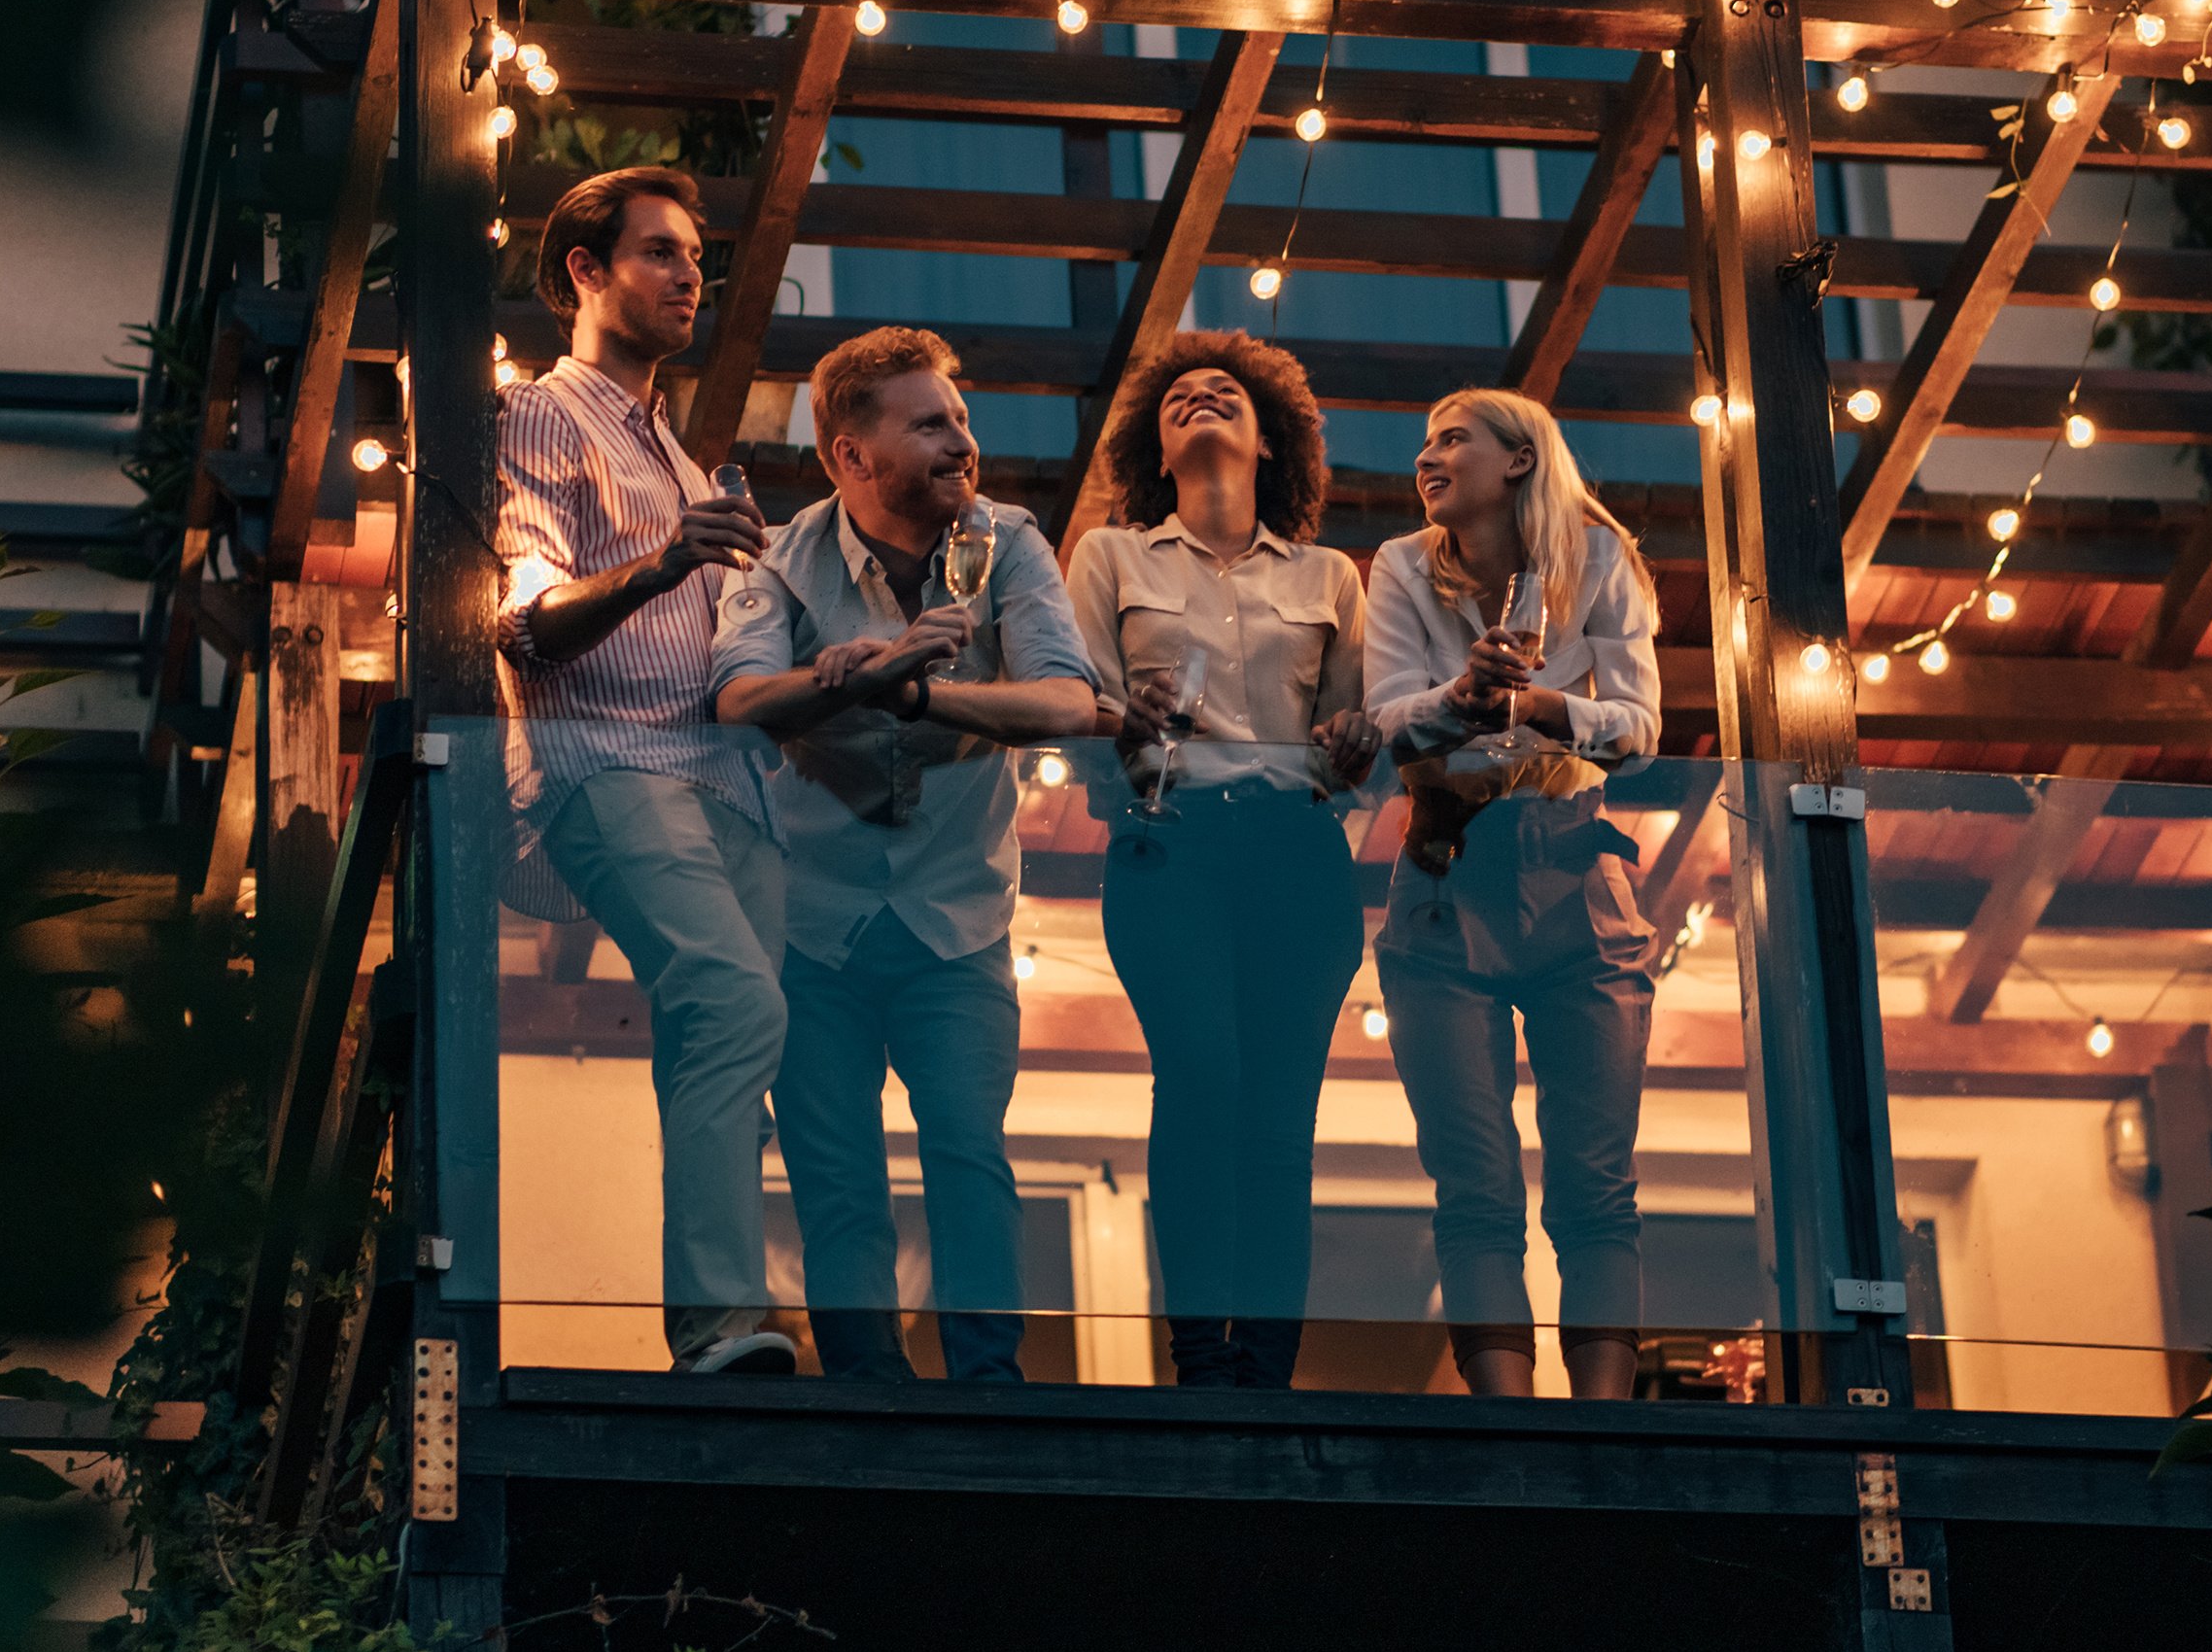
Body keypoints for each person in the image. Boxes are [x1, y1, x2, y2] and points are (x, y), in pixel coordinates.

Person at [710, 328, 1102, 1383]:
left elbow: (1069, 700)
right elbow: (739, 698)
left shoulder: (1008, 541)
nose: (961, 442)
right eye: (930, 424)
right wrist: (846, 680)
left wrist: (919, 690)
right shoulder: (777, 560)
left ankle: (990, 1389)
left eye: (961, 420)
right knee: (835, 1182)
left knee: (970, 1157)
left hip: (959, 924)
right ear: (850, 456)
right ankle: (864, 1393)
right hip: (808, 931)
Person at [492, 165, 802, 1378]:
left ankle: (719, 1332)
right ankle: (724, 1320)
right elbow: (523, 623)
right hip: (605, 761)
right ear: (586, 269)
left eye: (694, 258)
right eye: (663, 253)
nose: (691, 278)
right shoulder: (541, 416)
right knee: (733, 1003)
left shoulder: (678, 449)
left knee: (724, 1040)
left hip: (728, 786)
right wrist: (668, 562)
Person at [1064, 332, 1373, 1390]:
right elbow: (1077, 716)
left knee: (1282, 1120)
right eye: (1179, 396)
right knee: (1198, 1078)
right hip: (1169, 847)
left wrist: (1353, 747)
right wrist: (1119, 721)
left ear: (1269, 440)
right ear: (1156, 446)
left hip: (1296, 855)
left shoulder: (1332, 577)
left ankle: (1267, 1370)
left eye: (1227, 392)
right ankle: (1199, 1359)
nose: (1201, 397)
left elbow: (1349, 749)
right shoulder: (1109, 558)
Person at [1363, 387, 1664, 1401]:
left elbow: (1640, 730)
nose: (1428, 456)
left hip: (1581, 869)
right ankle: (1508, 1419)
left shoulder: (1601, 559)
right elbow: (1387, 720)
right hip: (1448, 865)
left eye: (1452, 438)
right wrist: (1460, 699)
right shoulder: (1401, 566)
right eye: (1423, 440)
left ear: (1520, 460)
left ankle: (1605, 1424)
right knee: (1474, 1181)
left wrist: (1534, 704)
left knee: (1597, 1181)